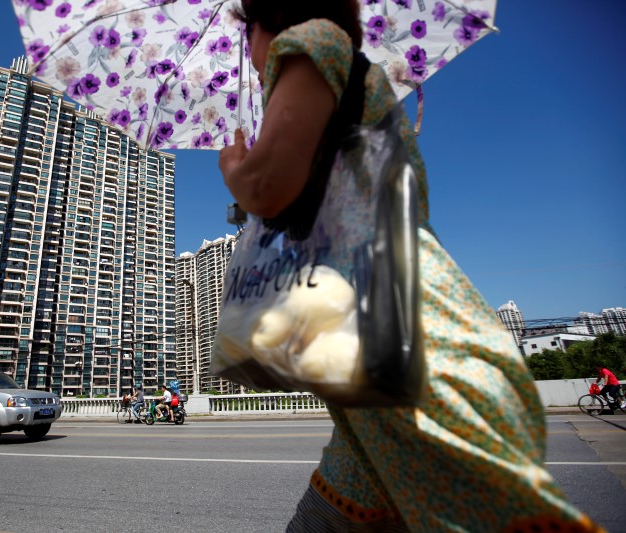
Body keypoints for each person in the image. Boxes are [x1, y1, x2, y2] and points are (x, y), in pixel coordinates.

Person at [218, 1, 602, 531]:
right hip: (365, 395)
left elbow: (266, 186)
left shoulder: (311, 39)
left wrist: (237, 169)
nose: (248, 51)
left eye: (247, 32)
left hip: (399, 338)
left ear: (273, 20)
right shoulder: (344, 101)